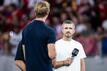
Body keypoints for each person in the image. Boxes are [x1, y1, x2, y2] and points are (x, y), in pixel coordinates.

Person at [15, 1, 56, 71]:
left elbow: (25, 55)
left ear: (35, 12)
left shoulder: (26, 30)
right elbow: (51, 55)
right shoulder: (50, 31)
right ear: (47, 12)